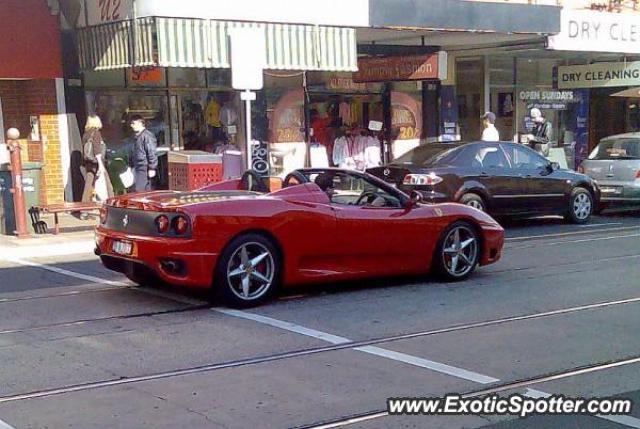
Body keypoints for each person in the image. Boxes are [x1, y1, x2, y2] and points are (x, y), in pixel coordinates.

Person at [81, 114, 113, 203]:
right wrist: (101, 165)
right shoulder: (96, 133)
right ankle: (112, 204)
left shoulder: (86, 134)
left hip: (89, 162)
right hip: (96, 162)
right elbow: (97, 149)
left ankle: (84, 209)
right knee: (107, 185)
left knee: (88, 185)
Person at [128, 115, 158, 192]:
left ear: (140, 123)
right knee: (142, 189)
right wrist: (131, 165)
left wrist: (152, 168)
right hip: (139, 166)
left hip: (144, 166)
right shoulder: (137, 136)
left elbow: (151, 152)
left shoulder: (147, 136)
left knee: (140, 190)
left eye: (133, 123)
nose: (131, 126)